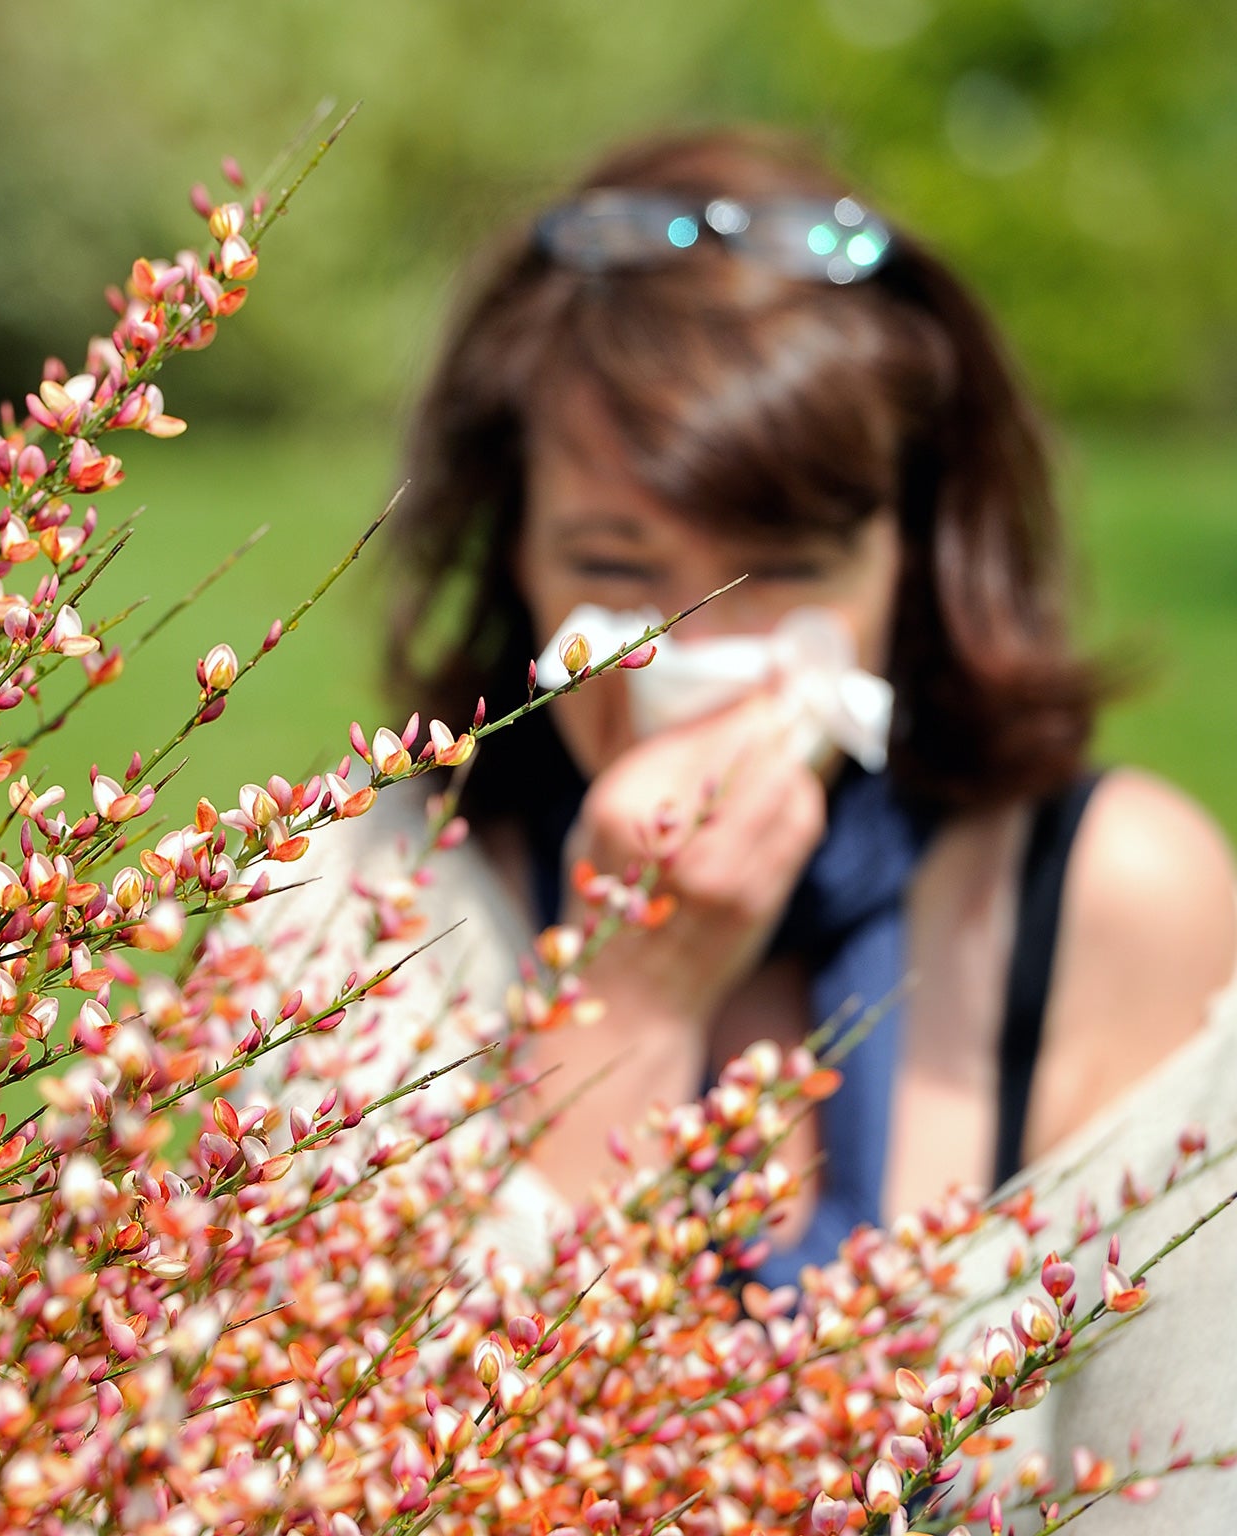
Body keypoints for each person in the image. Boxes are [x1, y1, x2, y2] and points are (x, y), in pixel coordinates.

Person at [349, 127, 1237, 1278]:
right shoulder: (379, 904)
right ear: (511, 557)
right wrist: (626, 995)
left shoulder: (1107, 902)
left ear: (909, 562)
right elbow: (384, 1437)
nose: (698, 647)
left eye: (784, 571)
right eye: (616, 571)